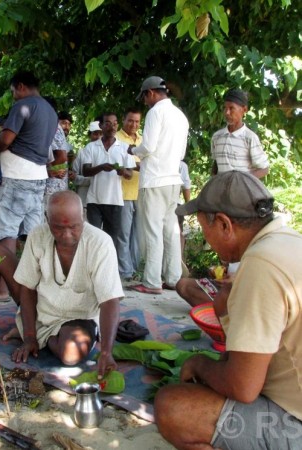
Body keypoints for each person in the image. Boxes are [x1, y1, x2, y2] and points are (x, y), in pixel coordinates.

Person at [155, 171, 302, 449]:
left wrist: (198, 364)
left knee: (172, 405)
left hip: (295, 425)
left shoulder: (261, 264)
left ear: (224, 224)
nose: (206, 238)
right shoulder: (289, 240)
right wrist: (225, 312)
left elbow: (242, 387)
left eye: (203, 228)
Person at [0, 191, 123, 377]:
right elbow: (27, 288)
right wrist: (29, 337)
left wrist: (106, 352)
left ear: (82, 217)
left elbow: (110, 300)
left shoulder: (100, 243)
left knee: (71, 354)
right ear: (47, 219)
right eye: (58, 228)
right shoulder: (38, 234)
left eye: (74, 227)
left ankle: (44, 336)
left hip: (78, 319)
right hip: (41, 307)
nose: (67, 235)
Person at [0, 71, 58, 256]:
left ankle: (4, 284)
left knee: (6, 234)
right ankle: (32, 279)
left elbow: (5, 140)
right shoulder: (51, 111)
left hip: (17, 176)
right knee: (33, 233)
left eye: (13, 91)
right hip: (39, 177)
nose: (13, 96)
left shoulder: (23, 105)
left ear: (21, 86)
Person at [128, 76, 189, 294]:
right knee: (171, 231)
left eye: (145, 97)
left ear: (151, 93)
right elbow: (181, 154)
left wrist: (133, 150)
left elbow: (148, 146)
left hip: (154, 180)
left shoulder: (156, 112)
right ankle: (173, 279)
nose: (145, 102)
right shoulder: (180, 116)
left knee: (153, 232)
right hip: (173, 179)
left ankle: (152, 282)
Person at [82, 113, 135, 252]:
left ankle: (109, 270)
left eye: (115, 123)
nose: (112, 127)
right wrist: (101, 167)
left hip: (115, 201)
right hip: (94, 200)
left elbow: (130, 174)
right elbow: (85, 171)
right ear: (101, 126)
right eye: (108, 123)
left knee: (112, 240)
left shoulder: (124, 147)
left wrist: (122, 171)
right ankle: (92, 268)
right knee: (93, 237)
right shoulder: (91, 147)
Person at [211, 89, 269, 179]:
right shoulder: (217, 137)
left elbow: (264, 169)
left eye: (231, 108)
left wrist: (242, 181)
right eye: (225, 108)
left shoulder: (250, 137)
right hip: (221, 190)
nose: (227, 112)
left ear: (244, 109)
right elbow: (216, 164)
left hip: (242, 191)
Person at [115, 107, 142, 280]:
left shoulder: (143, 139)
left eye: (137, 121)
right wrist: (138, 165)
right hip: (122, 193)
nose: (133, 124)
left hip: (141, 192)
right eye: (130, 120)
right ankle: (125, 271)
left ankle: (133, 269)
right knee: (123, 235)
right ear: (123, 120)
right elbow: (116, 164)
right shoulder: (116, 139)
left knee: (138, 236)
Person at [69, 120, 101, 212]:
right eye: (95, 133)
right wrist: (91, 180)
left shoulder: (108, 153)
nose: (98, 137)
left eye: (100, 134)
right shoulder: (82, 153)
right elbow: (74, 177)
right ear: (89, 135)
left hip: (101, 202)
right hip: (84, 202)